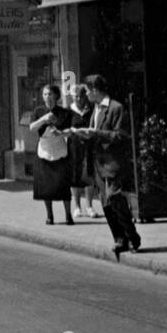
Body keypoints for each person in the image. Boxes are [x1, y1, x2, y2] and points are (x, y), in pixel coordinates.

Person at [70, 74, 140, 260]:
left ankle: (132, 236)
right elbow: (95, 135)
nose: (85, 95)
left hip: (112, 162)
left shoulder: (116, 108)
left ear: (94, 90)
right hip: (97, 163)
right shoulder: (95, 109)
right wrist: (83, 135)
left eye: (86, 91)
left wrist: (96, 133)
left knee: (114, 197)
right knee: (106, 203)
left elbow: (121, 135)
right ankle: (119, 239)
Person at [29, 84, 74, 225]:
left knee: (63, 184)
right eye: (44, 94)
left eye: (49, 94)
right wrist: (44, 119)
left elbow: (71, 129)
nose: (47, 97)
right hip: (44, 149)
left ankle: (68, 215)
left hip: (59, 148)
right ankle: (50, 215)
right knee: (45, 186)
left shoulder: (64, 112)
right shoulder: (38, 111)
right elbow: (32, 127)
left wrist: (60, 131)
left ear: (56, 96)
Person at [68, 84, 102, 218]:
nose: (77, 99)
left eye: (80, 96)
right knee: (75, 175)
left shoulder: (91, 110)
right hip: (74, 146)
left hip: (89, 145)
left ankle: (89, 206)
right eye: (75, 96)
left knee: (89, 174)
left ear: (84, 97)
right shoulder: (69, 111)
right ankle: (77, 206)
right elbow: (65, 129)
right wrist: (74, 131)